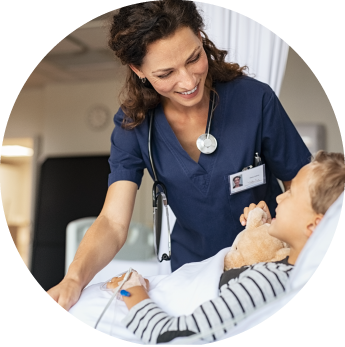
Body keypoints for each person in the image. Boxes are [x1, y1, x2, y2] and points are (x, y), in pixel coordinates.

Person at [47, 0, 311, 311]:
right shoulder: (134, 126)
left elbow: (303, 183)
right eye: (166, 73)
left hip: (268, 263)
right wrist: (74, 279)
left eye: (193, 58)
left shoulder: (254, 100)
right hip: (192, 273)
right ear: (139, 70)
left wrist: (291, 232)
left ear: (201, 37)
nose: (188, 81)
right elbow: (113, 222)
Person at [110, 151, 345, 344]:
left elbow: (173, 336)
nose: (279, 198)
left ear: (315, 225)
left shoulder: (270, 282)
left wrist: (131, 289)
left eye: (291, 194)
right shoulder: (280, 266)